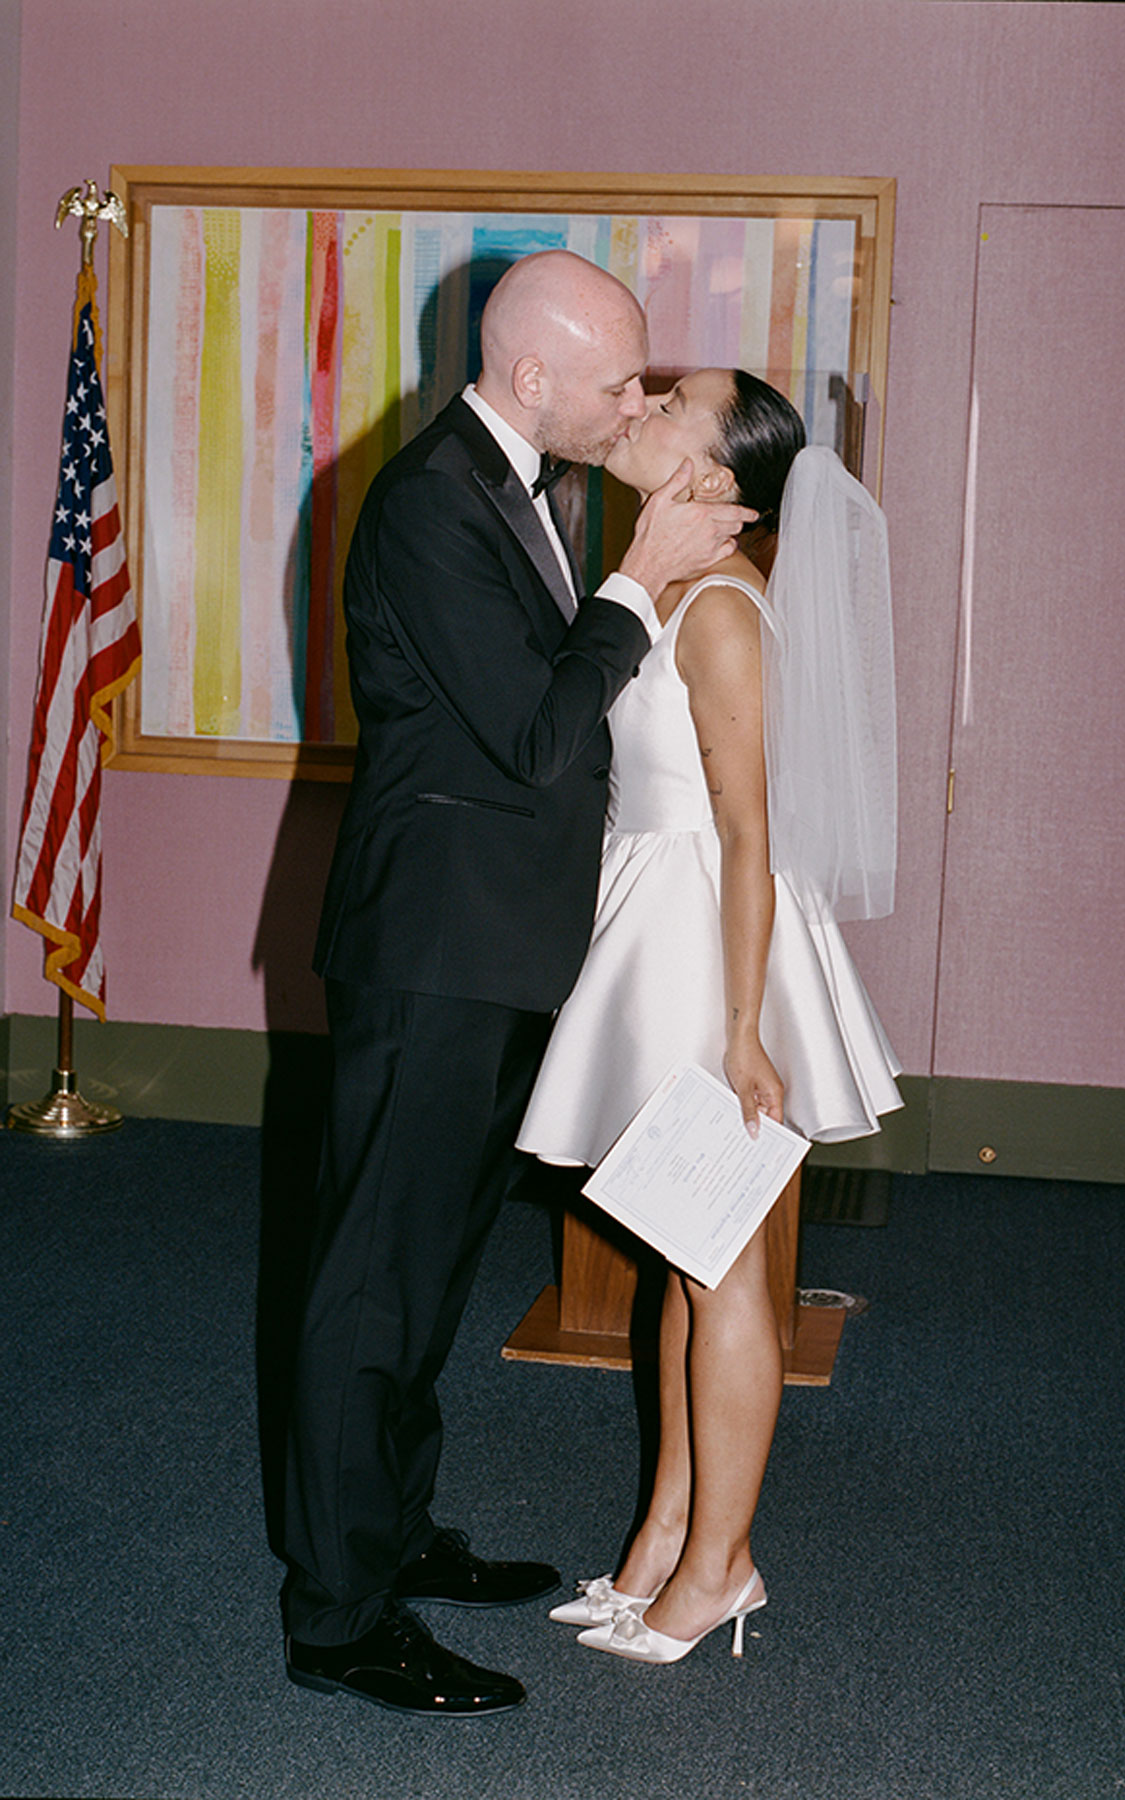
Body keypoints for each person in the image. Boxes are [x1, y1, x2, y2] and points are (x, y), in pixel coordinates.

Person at [280, 254, 757, 1718]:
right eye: (617, 383)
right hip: (432, 954)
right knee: (368, 1287)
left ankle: (395, 1533)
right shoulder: (433, 504)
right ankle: (340, 1616)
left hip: (502, 956)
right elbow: (540, 740)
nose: (633, 408)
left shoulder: (529, 479)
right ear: (533, 377)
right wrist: (639, 581)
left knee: (426, 1273)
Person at [517, 368, 903, 1663]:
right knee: (687, 1262)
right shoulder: (665, 584)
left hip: (712, 952)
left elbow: (749, 835)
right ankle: (664, 1539)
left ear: (723, 474)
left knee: (726, 1271)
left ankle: (724, 1567)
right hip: (654, 925)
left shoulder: (726, 607)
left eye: (673, 402)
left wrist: (743, 1030)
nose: (643, 402)